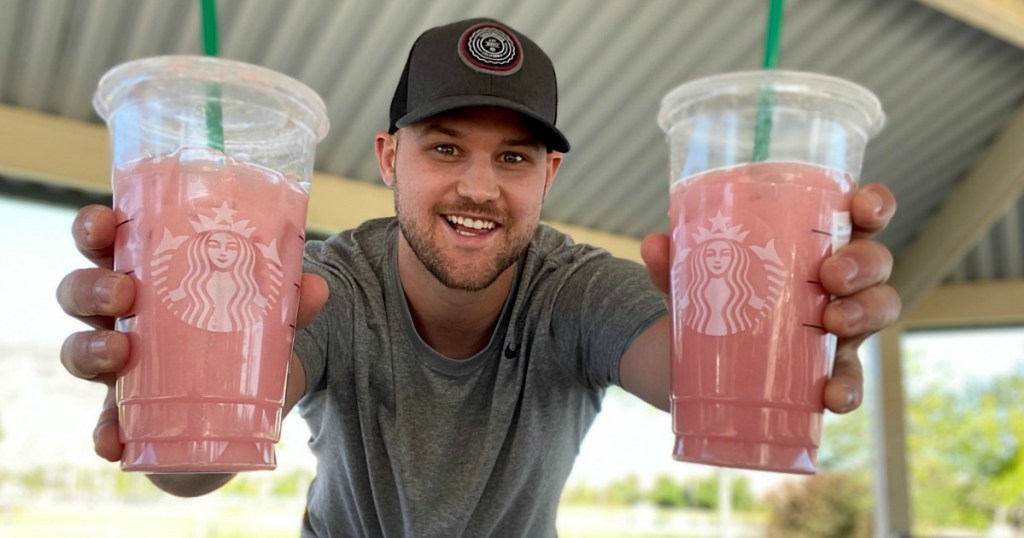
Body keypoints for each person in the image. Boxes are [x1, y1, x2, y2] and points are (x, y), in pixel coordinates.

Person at [56, 17, 901, 537]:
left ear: (549, 176)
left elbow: (701, 387)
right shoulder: (329, 282)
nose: (478, 188)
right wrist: (156, 384)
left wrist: (803, 320)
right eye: (446, 147)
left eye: (514, 157)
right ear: (391, 157)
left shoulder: (573, 289)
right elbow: (194, 467)